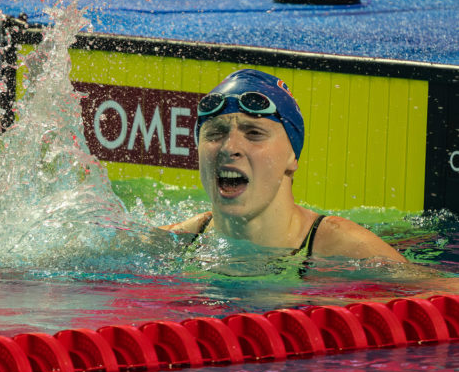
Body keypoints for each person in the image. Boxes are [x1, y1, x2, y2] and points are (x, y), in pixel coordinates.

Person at [160, 69, 406, 263]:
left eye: (254, 133)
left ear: (292, 157)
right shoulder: (171, 243)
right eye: (214, 134)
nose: (228, 147)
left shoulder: (345, 250)